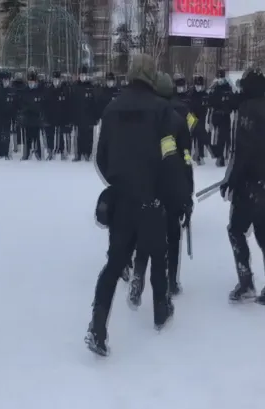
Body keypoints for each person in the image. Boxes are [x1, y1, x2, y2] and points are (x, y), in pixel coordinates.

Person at [86, 55, 192, 356]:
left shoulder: (111, 108)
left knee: (114, 263)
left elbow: (101, 158)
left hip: (122, 199)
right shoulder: (163, 112)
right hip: (151, 198)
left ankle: (97, 326)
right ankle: (160, 311)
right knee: (158, 256)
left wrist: (119, 181)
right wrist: (177, 195)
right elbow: (171, 158)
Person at [219, 67, 265, 306]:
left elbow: (242, 151)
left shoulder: (247, 110)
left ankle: (246, 283)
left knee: (236, 230)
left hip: (250, 183)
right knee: (264, 234)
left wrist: (231, 180)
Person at [130, 72, 193, 307]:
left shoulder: (146, 114)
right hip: (173, 185)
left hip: (148, 185)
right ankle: (172, 281)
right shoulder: (180, 117)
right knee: (173, 235)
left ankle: (138, 272)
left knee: (145, 234)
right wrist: (187, 193)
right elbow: (186, 158)